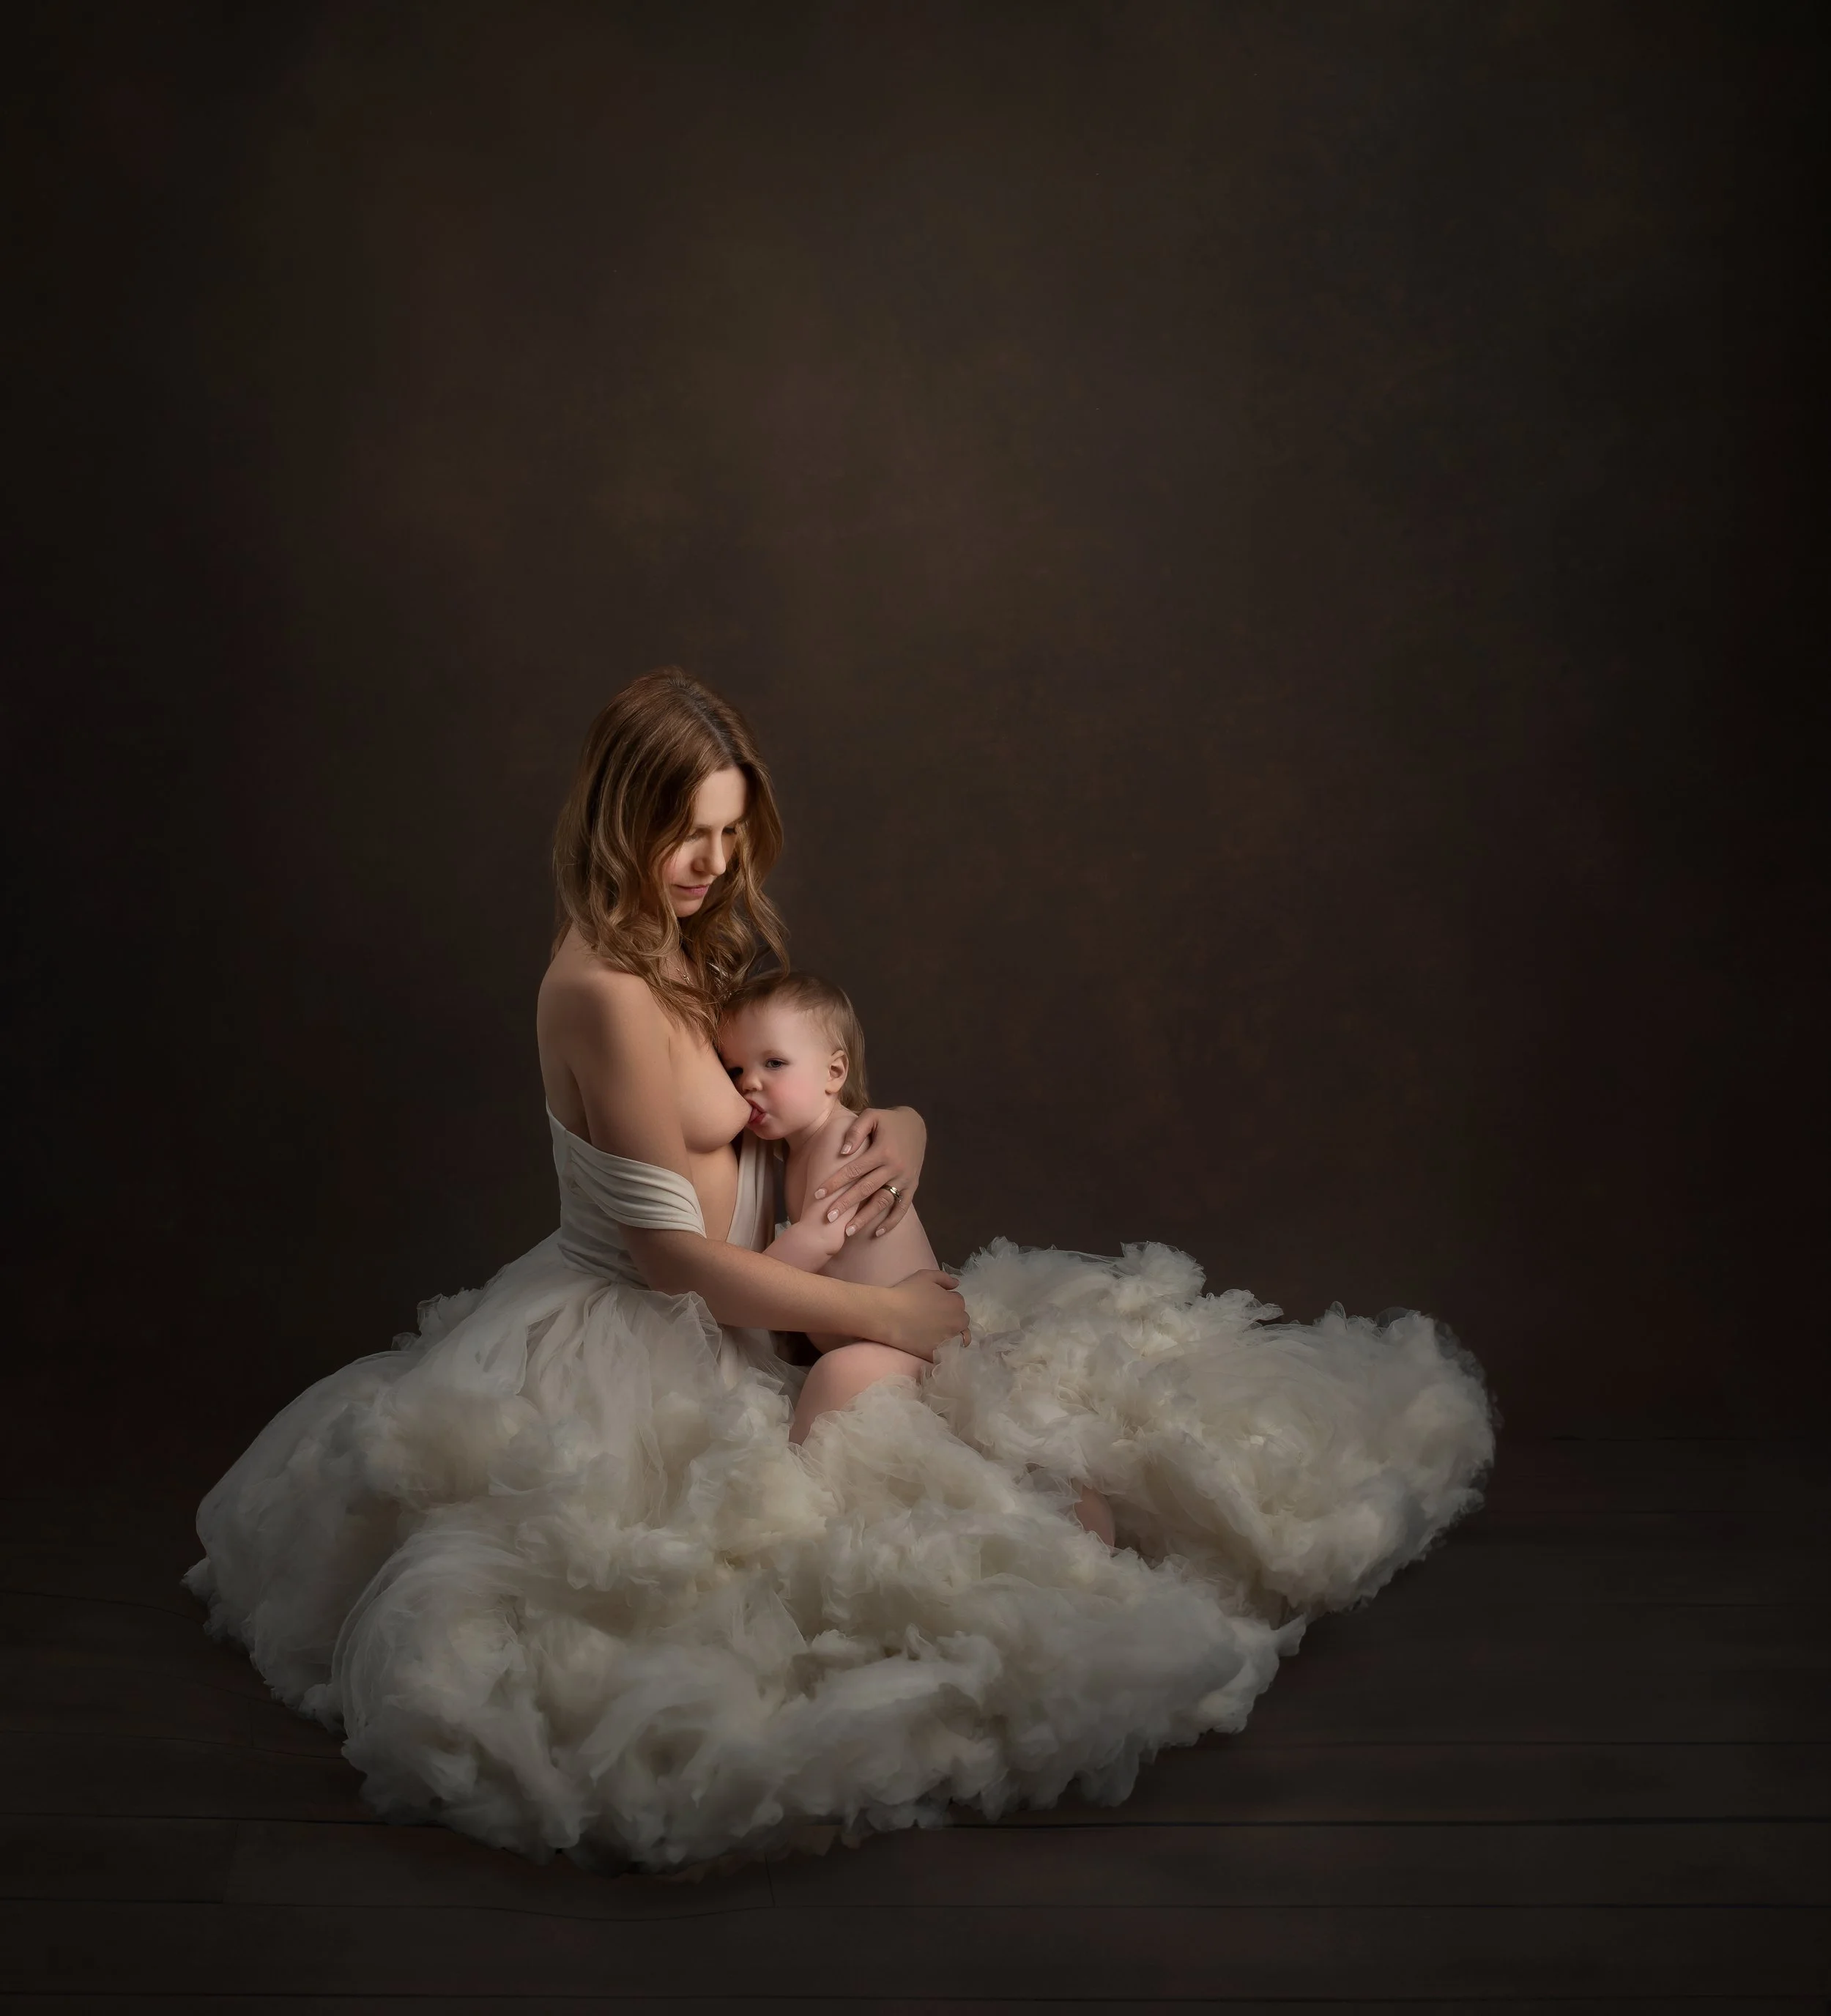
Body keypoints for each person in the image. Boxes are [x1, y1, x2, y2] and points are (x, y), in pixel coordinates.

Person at [185, 667, 1498, 1877]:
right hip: (672, 1316)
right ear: (614, 816)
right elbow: (676, 1257)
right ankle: (1018, 1520)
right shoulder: (601, 989)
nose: (709, 862)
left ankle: (1043, 1490)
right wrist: (875, 1307)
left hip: (784, 1276)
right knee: (736, 1565)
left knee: (1036, 1399)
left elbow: (796, 1077)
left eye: (727, 829)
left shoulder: (681, 937)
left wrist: (904, 1126)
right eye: (683, 831)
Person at [717, 968, 1119, 1543]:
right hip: (891, 1335)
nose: (749, 1083)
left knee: (858, 1381)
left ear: (835, 1072)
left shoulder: (840, 1145)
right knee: (963, 1449)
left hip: (911, 1344)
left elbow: (813, 1246)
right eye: (735, 1070)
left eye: (773, 1064)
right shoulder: (796, 1150)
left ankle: (793, 1519)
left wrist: (743, 1290)